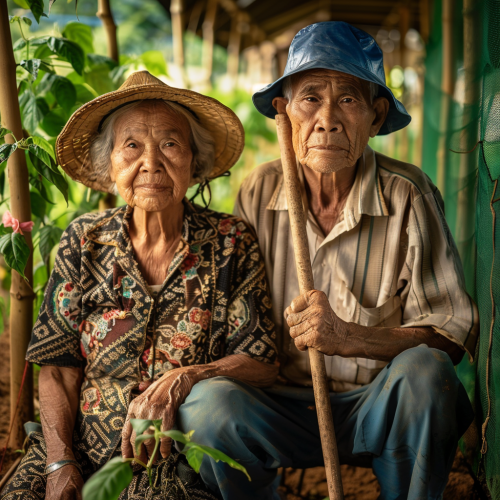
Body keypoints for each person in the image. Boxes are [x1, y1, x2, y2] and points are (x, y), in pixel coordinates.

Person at [176, 22, 479, 500]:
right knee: (208, 406)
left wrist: (348, 337)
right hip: (281, 405)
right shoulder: (259, 189)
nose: (328, 119)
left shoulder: (407, 194)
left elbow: (449, 336)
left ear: (376, 118)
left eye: (349, 101)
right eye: (310, 98)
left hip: (376, 409)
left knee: (428, 375)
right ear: (283, 112)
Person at [0, 71, 278, 500]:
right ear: (109, 161)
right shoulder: (84, 240)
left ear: (194, 161)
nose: (151, 162)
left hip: (174, 462)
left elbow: (260, 360)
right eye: (131, 146)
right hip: (73, 450)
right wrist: (59, 461)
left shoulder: (231, 242)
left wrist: (189, 376)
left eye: (170, 144)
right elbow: (56, 367)